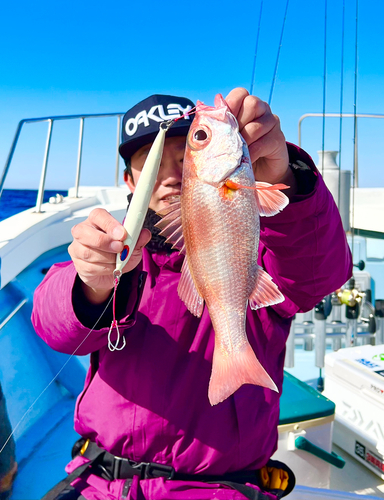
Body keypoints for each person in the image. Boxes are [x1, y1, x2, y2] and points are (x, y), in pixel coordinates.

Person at [32, 88, 352, 500]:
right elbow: (55, 326)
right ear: (131, 182)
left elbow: (319, 274)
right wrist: (90, 283)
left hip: (220, 488)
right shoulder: (111, 257)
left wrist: (287, 178)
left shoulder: (266, 254)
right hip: (100, 481)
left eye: (185, 157)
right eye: (150, 164)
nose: (169, 175)